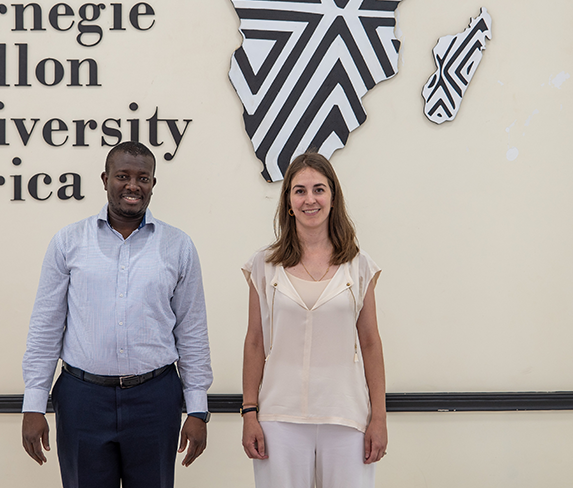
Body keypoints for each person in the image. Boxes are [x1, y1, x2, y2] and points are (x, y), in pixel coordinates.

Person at [21, 141, 213, 488]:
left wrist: (197, 408)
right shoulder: (68, 242)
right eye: (123, 176)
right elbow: (45, 327)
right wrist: (34, 403)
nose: (133, 186)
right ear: (105, 178)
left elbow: (192, 330)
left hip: (155, 399)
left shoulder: (178, 246)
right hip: (83, 399)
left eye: (143, 178)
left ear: (153, 184)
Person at [240, 151, 387, 488]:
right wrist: (250, 413)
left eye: (319, 189)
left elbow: (370, 342)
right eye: (300, 191)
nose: (310, 199)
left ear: (333, 198)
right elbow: (254, 341)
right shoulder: (263, 265)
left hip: (346, 416)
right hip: (279, 416)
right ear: (288, 202)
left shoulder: (359, 265)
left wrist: (378, 417)